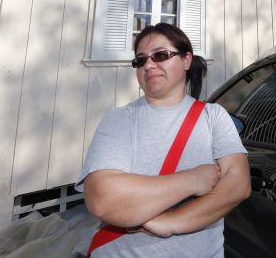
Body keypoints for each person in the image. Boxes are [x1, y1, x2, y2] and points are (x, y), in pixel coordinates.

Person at [76, 23, 250, 257]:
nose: (148, 65)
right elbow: (102, 199)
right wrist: (193, 179)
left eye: (160, 55)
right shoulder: (119, 119)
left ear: (186, 60)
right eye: (140, 60)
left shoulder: (213, 116)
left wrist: (171, 222)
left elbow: (238, 186)